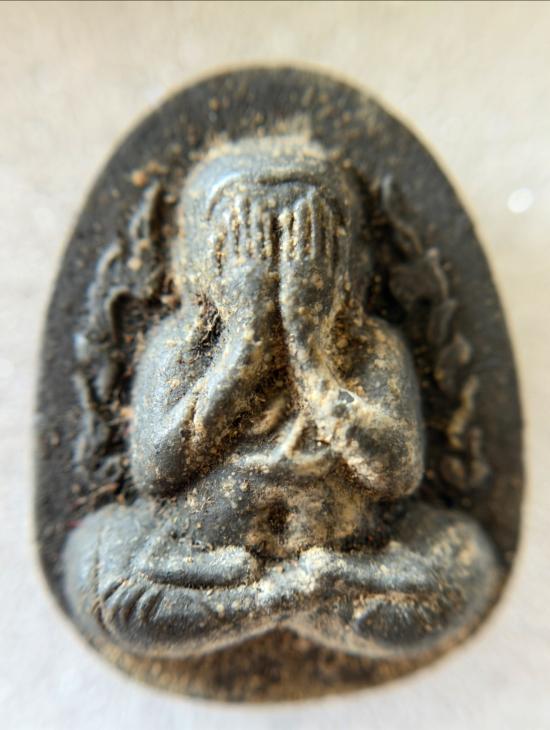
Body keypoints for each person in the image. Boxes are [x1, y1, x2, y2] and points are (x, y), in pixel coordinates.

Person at [64, 135, 499, 660]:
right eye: (245, 239)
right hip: (200, 568)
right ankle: (276, 598)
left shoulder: (372, 347)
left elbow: (396, 474)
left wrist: (310, 349)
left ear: (350, 261)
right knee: (101, 581)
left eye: (304, 238)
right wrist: (244, 344)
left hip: (349, 561)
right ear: (194, 258)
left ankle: (275, 598)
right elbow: (157, 472)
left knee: (466, 566)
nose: (275, 263)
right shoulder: (180, 346)